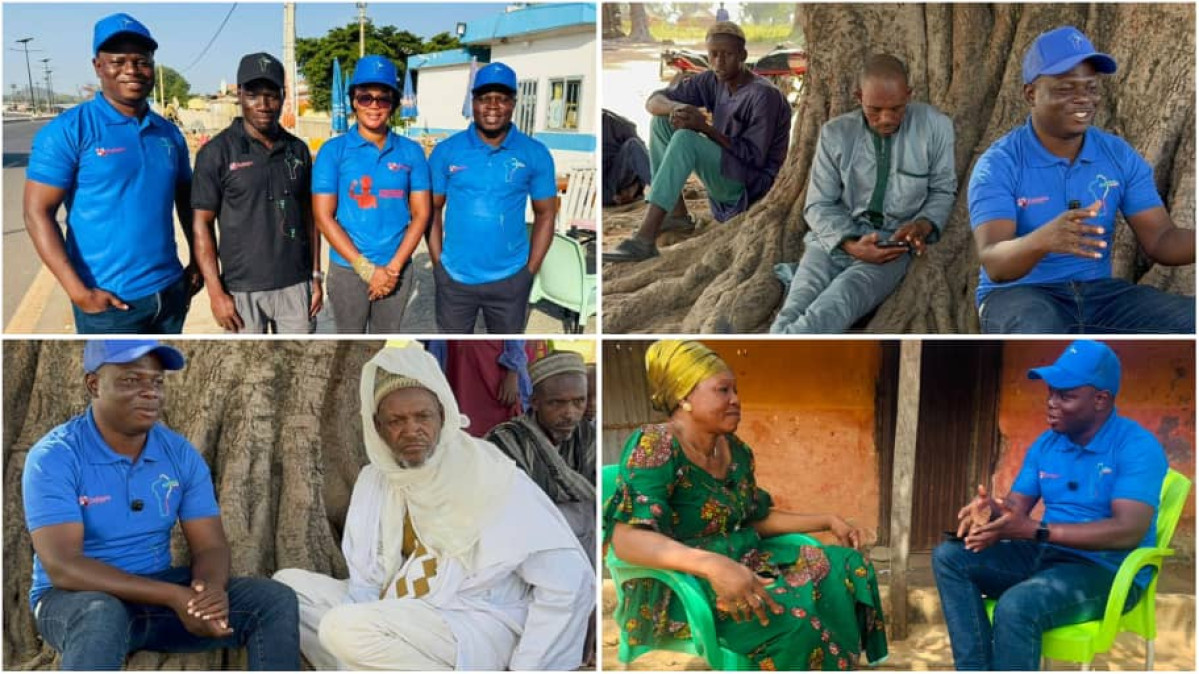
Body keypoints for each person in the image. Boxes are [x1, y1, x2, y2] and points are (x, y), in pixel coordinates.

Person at [272, 343, 593, 670]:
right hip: (400, 606)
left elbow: (569, 581)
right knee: (289, 590)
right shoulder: (377, 479)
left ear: (443, 414)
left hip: (472, 619)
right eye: (396, 420)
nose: (411, 430)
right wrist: (370, 614)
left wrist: (529, 667)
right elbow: (365, 579)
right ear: (377, 428)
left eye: (422, 416)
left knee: (341, 628)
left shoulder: (489, 475)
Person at [605, 340, 888, 670]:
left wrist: (826, 519)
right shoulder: (657, 445)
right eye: (723, 390)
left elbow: (755, 518)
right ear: (684, 397)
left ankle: (837, 662)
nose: (736, 400)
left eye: (736, 390)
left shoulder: (735, 450)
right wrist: (712, 565)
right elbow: (627, 539)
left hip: (748, 558)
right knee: (795, 620)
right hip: (688, 580)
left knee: (849, 566)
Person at [22, 340, 300, 669]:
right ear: (93, 385)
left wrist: (206, 593)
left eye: (156, 382)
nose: (150, 392)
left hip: (156, 595)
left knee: (274, 600)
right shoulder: (55, 456)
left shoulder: (178, 454)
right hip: (73, 602)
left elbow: (210, 545)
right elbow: (63, 566)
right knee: (100, 615)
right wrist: (173, 596)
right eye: (131, 380)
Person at [933, 340, 1167, 670]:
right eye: (1051, 392)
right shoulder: (1048, 444)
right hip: (1046, 554)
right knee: (950, 556)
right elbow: (1017, 505)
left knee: (1016, 606)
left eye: (1066, 395)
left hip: (1105, 570)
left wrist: (1036, 531)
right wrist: (993, 511)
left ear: (1100, 399)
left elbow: (1128, 530)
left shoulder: (1136, 446)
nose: (1051, 403)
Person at [969, 26, 1195, 333]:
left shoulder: (1117, 155)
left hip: (1099, 295)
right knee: (1036, 328)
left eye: (1090, 88)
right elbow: (995, 263)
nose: (1083, 99)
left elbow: (1160, 240)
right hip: (1019, 295)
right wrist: (1042, 240)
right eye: (1065, 89)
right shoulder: (1000, 164)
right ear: (1031, 94)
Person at [24, 13, 198, 333]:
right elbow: (37, 212)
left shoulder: (169, 134)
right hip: (110, 304)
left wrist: (198, 264)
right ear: (98, 66)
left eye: (141, 61)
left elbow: (187, 202)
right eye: (118, 60)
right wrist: (79, 292)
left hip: (171, 292)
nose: (131, 70)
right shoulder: (69, 130)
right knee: (119, 380)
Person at [771, 54, 956, 333]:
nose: (886, 119)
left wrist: (923, 224)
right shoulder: (835, 133)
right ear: (859, 97)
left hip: (891, 245)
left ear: (909, 95)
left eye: (896, 108)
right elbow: (819, 204)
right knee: (795, 306)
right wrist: (849, 243)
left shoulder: (936, 127)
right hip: (832, 239)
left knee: (841, 300)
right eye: (875, 110)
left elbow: (943, 190)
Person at [605, 21, 791, 262]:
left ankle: (644, 239)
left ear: (743, 56)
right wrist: (677, 108)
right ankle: (675, 215)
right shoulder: (712, 80)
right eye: (713, 55)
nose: (719, 62)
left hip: (749, 187)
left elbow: (754, 157)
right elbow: (653, 101)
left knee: (686, 139)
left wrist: (705, 128)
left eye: (728, 55)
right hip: (727, 172)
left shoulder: (763, 96)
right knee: (662, 122)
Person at [192, 52, 321, 334]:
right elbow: (202, 223)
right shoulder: (216, 153)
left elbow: (310, 218)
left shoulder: (297, 150)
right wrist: (215, 293)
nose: (263, 105)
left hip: (295, 285)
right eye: (253, 94)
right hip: (241, 291)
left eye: (271, 94)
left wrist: (316, 276)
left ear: (283, 96)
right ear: (239, 94)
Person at [428, 62, 557, 333]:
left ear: (513, 103)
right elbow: (432, 210)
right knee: (452, 354)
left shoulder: (535, 153)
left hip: (510, 278)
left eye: (502, 99)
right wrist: (440, 265)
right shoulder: (447, 151)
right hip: (455, 279)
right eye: (485, 98)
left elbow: (546, 213)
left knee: (506, 356)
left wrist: (529, 272)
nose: (493, 106)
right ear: (473, 102)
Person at [312, 54, 430, 333]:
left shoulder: (411, 152)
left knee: (383, 343)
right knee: (348, 345)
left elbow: (421, 213)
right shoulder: (333, 151)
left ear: (393, 104)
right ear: (354, 100)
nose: (374, 106)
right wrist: (365, 269)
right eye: (366, 98)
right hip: (348, 269)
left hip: (396, 269)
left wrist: (393, 269)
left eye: (383, 98)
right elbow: (323, 215)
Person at [486, 351, 596, 562]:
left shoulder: (586, 435)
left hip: (582, 548)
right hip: (525, 547)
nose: (570, 413)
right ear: (535, 402)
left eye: (578, 402)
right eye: (556, 403)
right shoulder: (505, 441)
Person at [601, 109, 651, 206]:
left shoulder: (615, 123)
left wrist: (636, 188)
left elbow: (640, 152)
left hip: (616, 178)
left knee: (632, 145)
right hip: (603, 191)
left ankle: (663, 193)